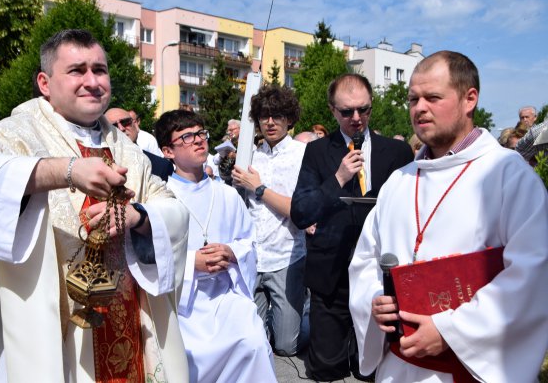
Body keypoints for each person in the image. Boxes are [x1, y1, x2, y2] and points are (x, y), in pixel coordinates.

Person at [0, 29, 189, 382]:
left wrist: (138, 217)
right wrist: (64, 171)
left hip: (128, 321)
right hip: (54, 331)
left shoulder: (127, 148)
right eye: (76, 71)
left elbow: (172, 207)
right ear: (44, 82)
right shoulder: (17, 133)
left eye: (99, 70)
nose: (92, 81)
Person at [349, 51, 548, 382]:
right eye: (413, 98)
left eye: (433, 97)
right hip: (397, 368)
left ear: (469, 99)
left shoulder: (508, 174)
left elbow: (532, 273)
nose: (419, 108)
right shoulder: (398, 181)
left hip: (466, 368)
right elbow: (366, 260)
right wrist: (374, 298)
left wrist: (449, 330)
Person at [290, 74, 413, 381]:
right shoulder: (317, 152)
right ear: (333, 111)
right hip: (331, 273)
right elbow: (301, 212)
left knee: (371, 369)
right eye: (347, 112)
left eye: (364, 109)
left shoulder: (396, 153)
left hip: (379, 275)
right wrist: (338, 179)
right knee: (325, 368)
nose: (357, 118)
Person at [153, 109, 276, 382]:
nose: (198, 140)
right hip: (182, 302)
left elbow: (248, 241)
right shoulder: (160, 197)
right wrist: (189, 262)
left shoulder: (227, 194)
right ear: (167, 151)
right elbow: (149, 255)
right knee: (188, 352)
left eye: (200, 133)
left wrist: (232, 252)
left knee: (253, 339)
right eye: (186, 137)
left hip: (224, 294)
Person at [232, 85, 307, 357]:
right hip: (253, 255)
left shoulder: (302, 155)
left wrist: (259, 188)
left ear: (289, 118)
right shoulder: (248, 155)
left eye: (277, 115)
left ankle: (307, 318)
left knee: (286, 346)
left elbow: (299, 211)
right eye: (264, 116)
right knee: (253, 342)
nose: (270, 122)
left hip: (287, 256)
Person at [105, 107, 174, 180]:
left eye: (125, 122)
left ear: (135, 125)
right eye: (113, 126)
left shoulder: (162, 166)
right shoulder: (100, 168)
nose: (121, 128)